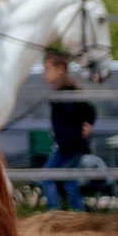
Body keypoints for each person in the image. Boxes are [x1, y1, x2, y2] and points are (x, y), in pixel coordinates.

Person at [40, 48, 97, 212]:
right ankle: (77, 212)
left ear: (60, 70)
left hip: (71, 147)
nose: (44, 74)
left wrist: (87, 124)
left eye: (47, 69)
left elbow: (89, 110)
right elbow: (89, 111)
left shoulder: (68, 93)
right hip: (69, 146)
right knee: (69, 180)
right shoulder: (61, 92)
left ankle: (54, 212)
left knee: (47, 176)